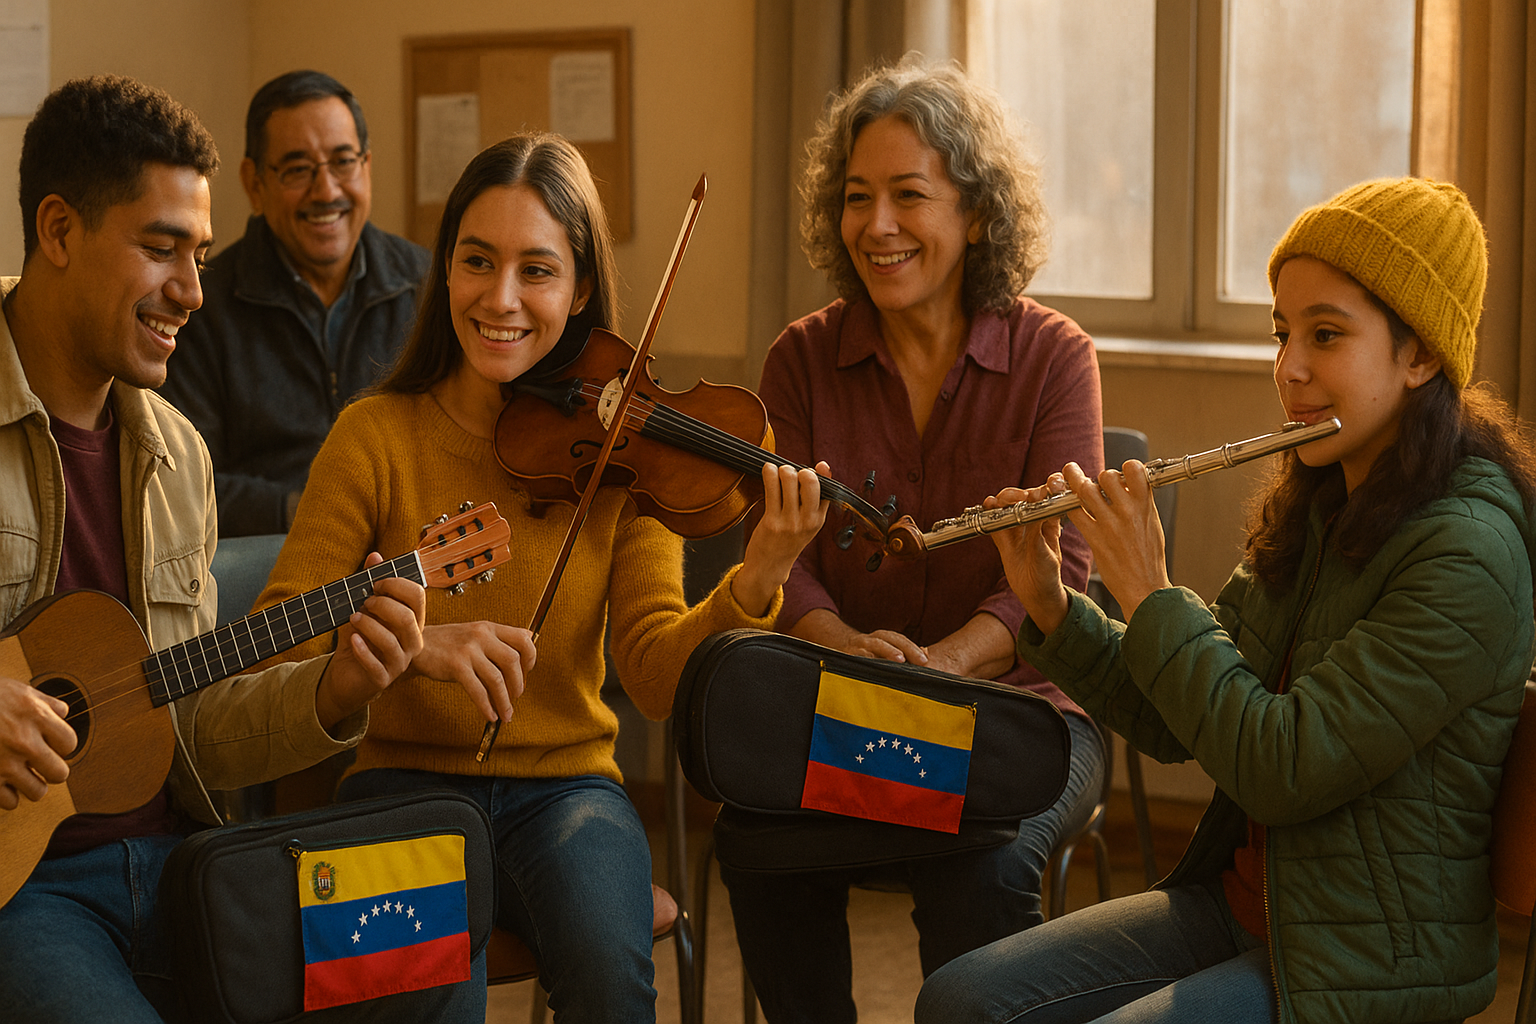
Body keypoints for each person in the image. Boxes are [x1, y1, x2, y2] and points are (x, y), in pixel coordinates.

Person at [915, 176, 1536, 1024]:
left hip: (1360, 966)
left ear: (1420, 354)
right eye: (1283, 334)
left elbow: (1282, 767)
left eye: (1326, 336)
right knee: (959, 1000)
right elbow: (1177, 719)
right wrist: (1049, 603)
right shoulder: (1322, 505)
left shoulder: (1469, 554)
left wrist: (1149, 589)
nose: (1290, 370)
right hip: (1250, 906)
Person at [255, 131, 829, 1022]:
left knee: (608, 974)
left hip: (568, 789)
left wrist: (756, 580)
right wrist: (411, 646)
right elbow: (272, 642)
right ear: (444, 270)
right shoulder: (376, 436)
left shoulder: (625, 455)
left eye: (538, 270)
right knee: (424, 994)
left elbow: (650, 675)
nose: (502, 299)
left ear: (582, 288)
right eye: (478, 261)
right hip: (396, 783)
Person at [0, 76, 482, 1023]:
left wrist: (337, 691)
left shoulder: (178, 456)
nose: (192, 290)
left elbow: (196, 721)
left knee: (425, 956)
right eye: (161, 248)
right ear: (57, 232)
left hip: (188, 863)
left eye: (203, 254)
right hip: (27, 895)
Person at [718, 58, 1108, 1023]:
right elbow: (785, 557)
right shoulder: (800, 358)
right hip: (846, 698)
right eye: (858, 198)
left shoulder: (1057, 358)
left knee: (977, 862)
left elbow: (1059, 574)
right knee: (756, 845)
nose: (877, 226)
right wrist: (849, 651)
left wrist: (940, 666)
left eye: (908, 195)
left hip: (1023, 711)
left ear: (976, 214)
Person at [160, 70, 430, 537]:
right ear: (255, 184)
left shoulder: (428, 286)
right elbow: (180, 481)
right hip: (263, 562)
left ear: (367, 166)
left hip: (408, 550)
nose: (326, 192)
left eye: (343, 162)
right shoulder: (199, 304)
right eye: (297, 169)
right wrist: (306, 508)